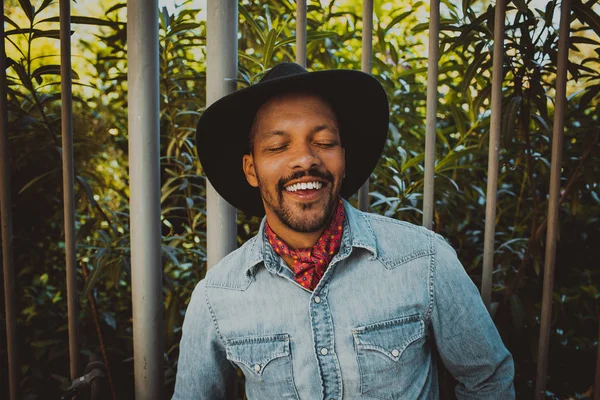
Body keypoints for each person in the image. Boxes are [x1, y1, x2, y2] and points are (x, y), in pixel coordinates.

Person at [172, 63, 515, 399]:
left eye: (324, 141)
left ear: (344, 157)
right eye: (278, 147)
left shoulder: (424, 260)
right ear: (251, 169)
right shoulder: (216, 297)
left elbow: (488, 379)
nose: (305, 159)